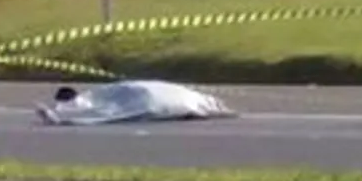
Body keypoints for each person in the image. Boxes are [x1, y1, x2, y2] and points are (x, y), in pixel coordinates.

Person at [33, 80, 237, 126]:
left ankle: (61, 116)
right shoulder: (193, 99)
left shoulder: (88, 98)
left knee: (107, 111)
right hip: (151, 97)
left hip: (146, 98)